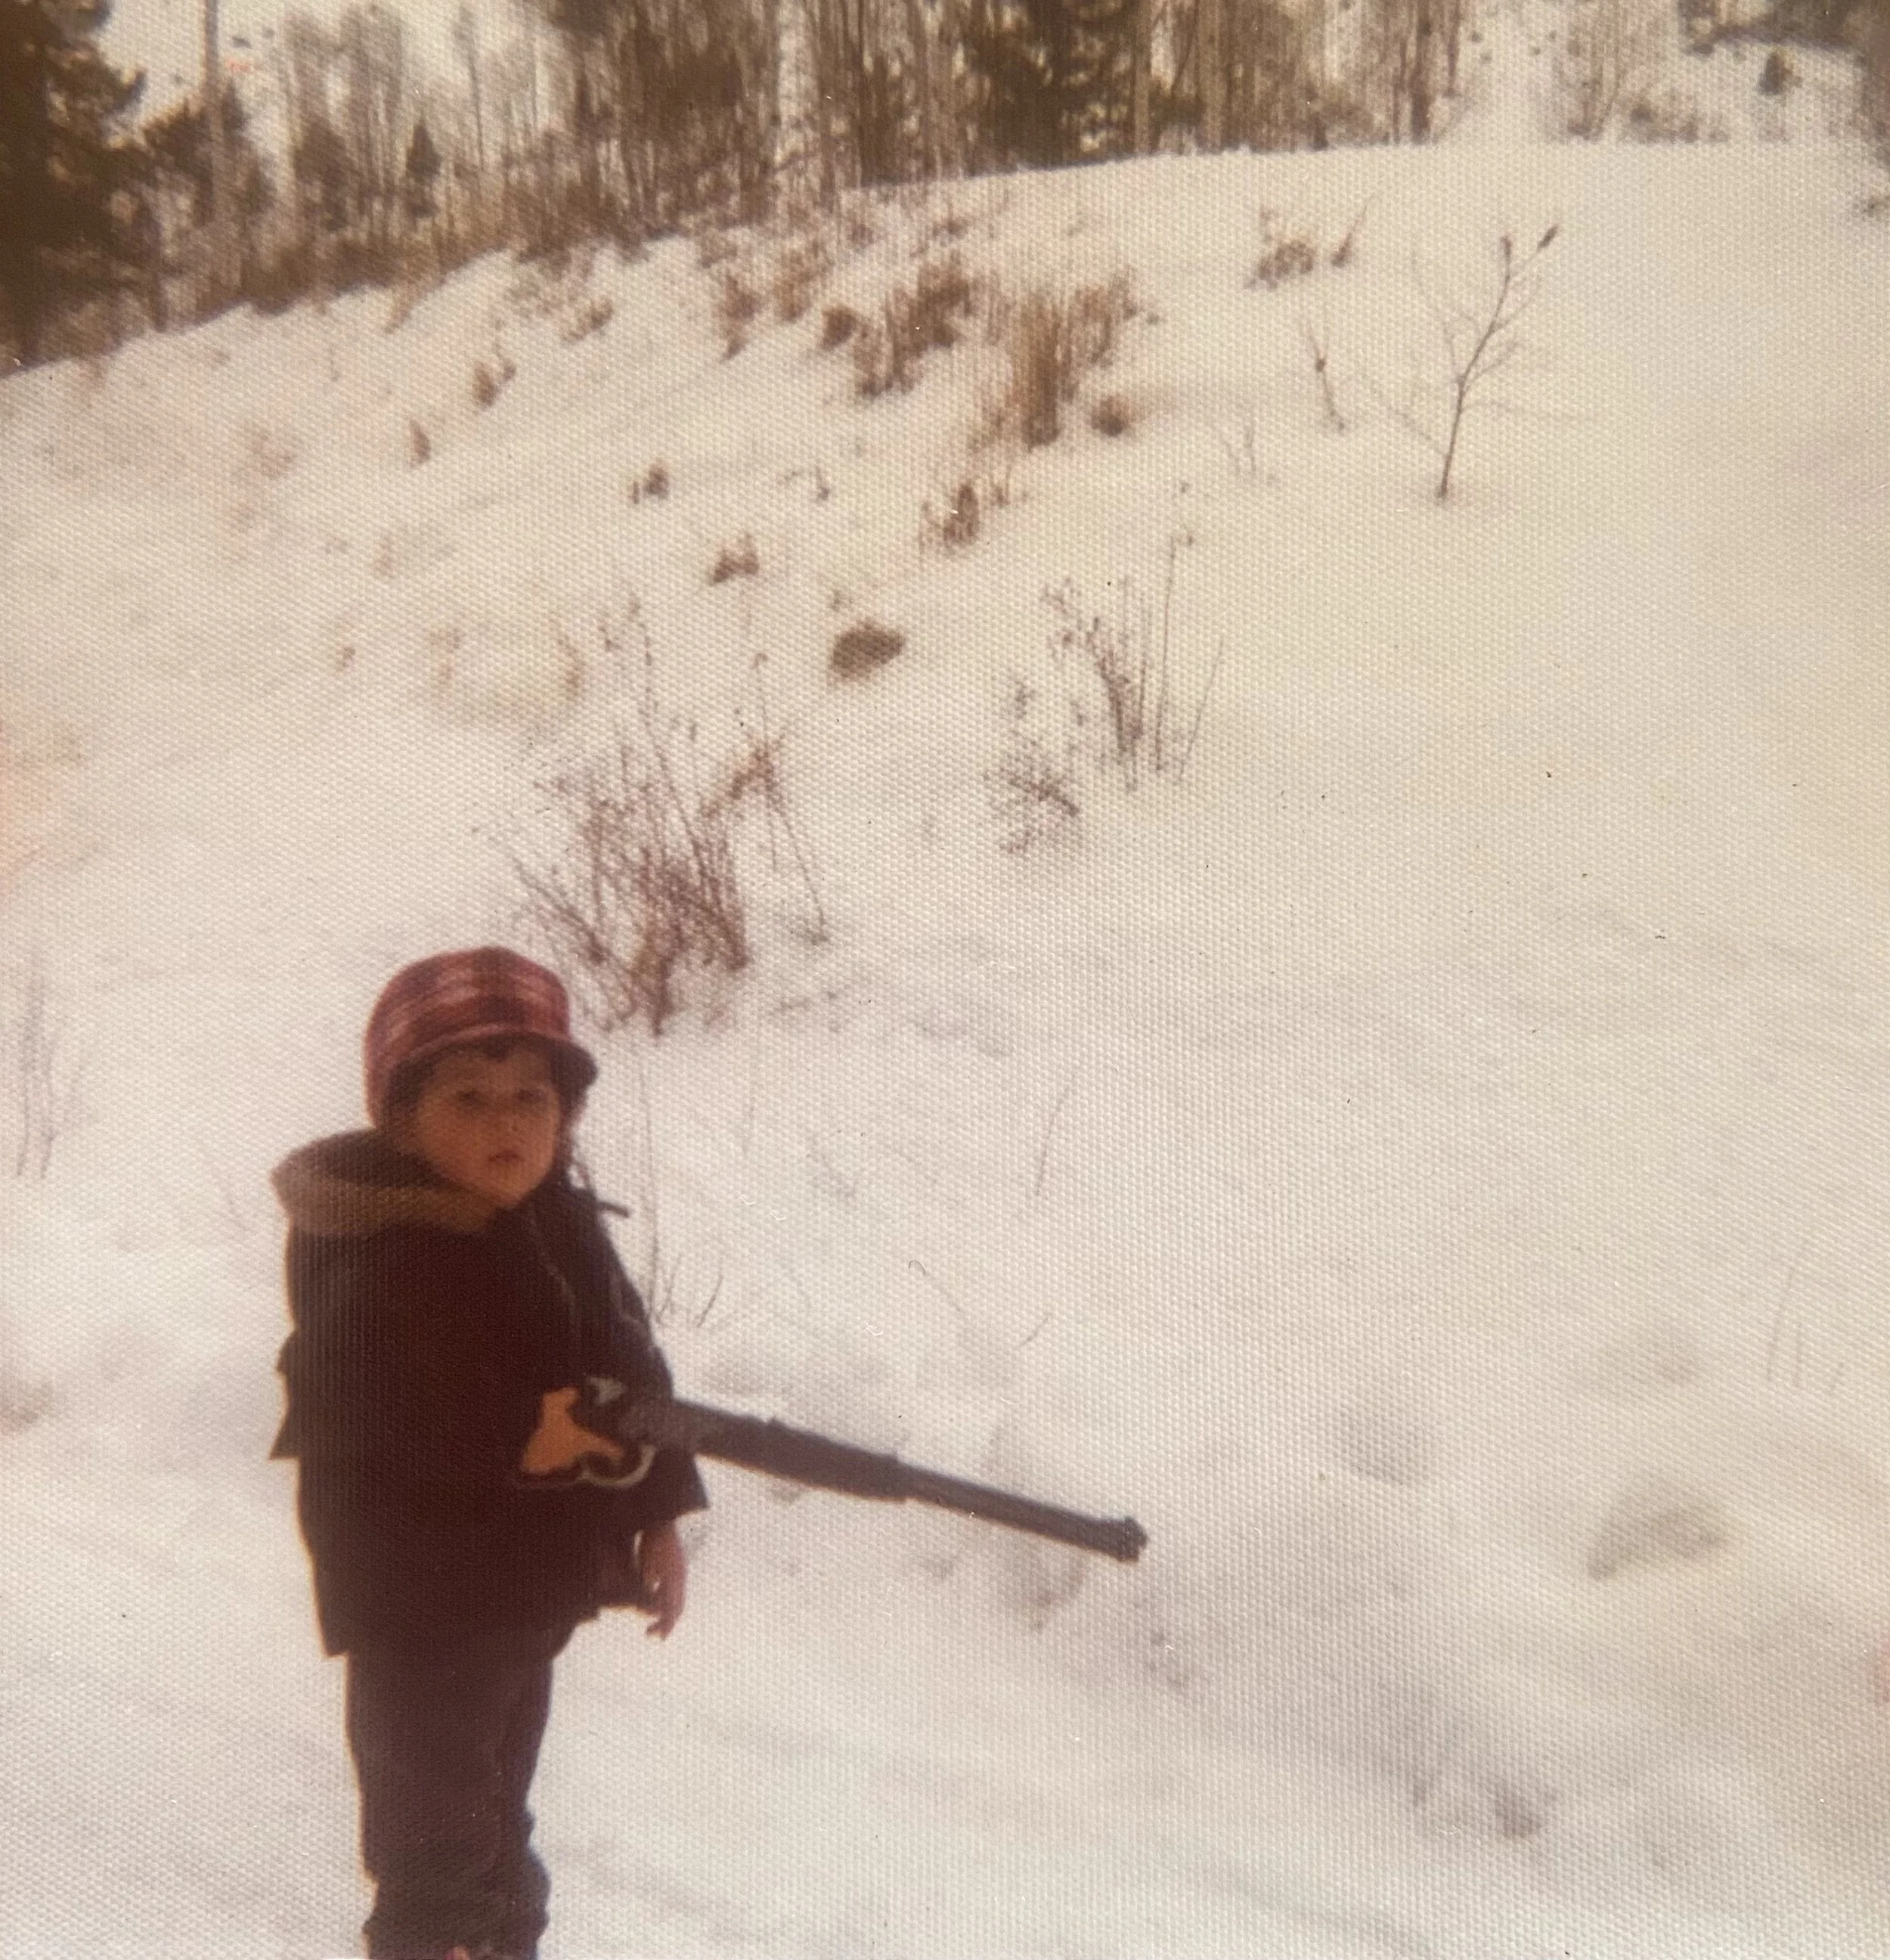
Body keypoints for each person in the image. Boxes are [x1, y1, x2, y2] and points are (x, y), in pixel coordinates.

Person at [269, 947, 707, 1960]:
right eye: (470, 1099)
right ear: (401, 1119)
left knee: (500, 1829)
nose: (509, 1125)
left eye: (532, 1098)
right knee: (433, 1856)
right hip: (419, 1610)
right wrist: (523, 1437)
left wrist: (657, 1513)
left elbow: (629, 1364)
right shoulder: (378, 1251)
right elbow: (364, 1411)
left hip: (521, 1598)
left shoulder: (554, 1222)